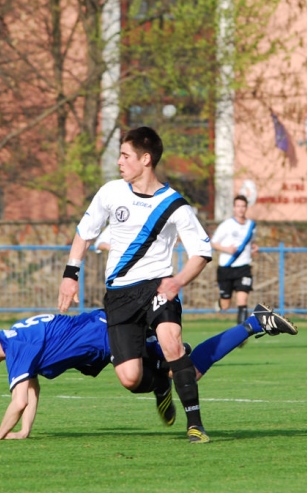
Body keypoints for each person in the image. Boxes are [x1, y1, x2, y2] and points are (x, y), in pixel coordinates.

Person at [58, 126, 214, 443]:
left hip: (158, 287)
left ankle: (195, 424)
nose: (119, 162)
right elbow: (85, 233)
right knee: (130, 377)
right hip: (120, 295)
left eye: (125, 155)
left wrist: (178, 280)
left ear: (145, 159)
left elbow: (201, 253)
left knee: (172, 342)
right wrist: (70, 275)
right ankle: (160, 383)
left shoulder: (176, 205)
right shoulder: (110, 192)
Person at [0, 304, 297, 441]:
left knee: (185, 372)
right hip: (106, 330)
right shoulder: (18, 336)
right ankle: (253, 323)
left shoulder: (17, 349)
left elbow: (19, 399)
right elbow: (32, 389)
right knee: (173, 372)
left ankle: (255, 322)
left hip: (113, 334)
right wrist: (23, 432)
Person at [211, 195, 259, 325]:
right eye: (238, 206)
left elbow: (251, 242)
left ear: (246, 207)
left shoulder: (252, 225)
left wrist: (254, 247)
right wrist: (226, 249)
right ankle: (220, 303)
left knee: (242, 301)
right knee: (225, 305)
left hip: (244, 267)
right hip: (226, 267)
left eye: (243, 206)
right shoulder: (226, 225)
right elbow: (213, 243)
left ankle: (242, 333)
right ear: (234, 208)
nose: (241, 209)